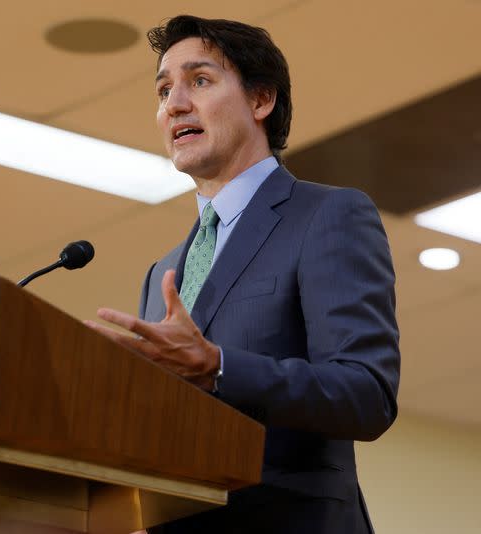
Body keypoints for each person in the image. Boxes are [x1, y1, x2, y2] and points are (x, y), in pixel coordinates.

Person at [85, 15, 400, 534]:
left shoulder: (327, 215)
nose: (175, 104)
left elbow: (367, 393)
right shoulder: (162, 272)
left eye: (199, 81)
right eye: (164, 90)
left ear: (261, 101)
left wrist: (219, 367)